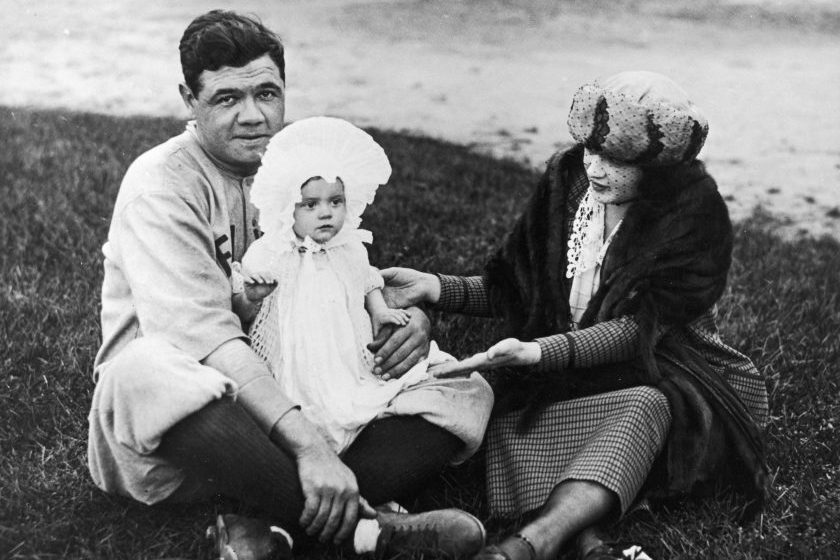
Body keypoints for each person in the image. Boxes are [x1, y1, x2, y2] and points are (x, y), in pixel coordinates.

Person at [85, 10, 493, 559]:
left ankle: (268, 525)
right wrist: (308, 449)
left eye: (267, 93)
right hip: (198, 430)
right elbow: (208, 342)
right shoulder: (162, 185)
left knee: (465, 387)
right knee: (144, 372)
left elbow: (342, 277)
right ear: (189, 100)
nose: (254, 116)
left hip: (299, 388)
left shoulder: (292, 170)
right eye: (227, 99)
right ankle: (366, 533)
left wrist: (409, 324)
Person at [382, 71, 769, 560]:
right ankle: (588, 542)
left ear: (660, 168)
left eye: (615, 158)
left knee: (645, 407)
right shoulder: (568, 184)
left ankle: (527, 546)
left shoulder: (693, 216)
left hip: (665, 375)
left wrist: (542, 351)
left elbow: (638, 333)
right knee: (503, 418)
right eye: (590, 150)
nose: (596, 167)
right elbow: (520, 290)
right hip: (565, 377)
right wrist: (438, 288)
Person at [233, 116, 471, 455]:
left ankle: (362, 439)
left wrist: (380, 311)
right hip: (296, 350)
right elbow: (242, 310)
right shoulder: (270, 252)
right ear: (288, 208)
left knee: (357, 385)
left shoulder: (348, 247)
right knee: (303, 394)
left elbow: (366, 281)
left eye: (336, 201)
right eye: (310, 205)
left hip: (344, 346)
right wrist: (252, 296)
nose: (326, 213)